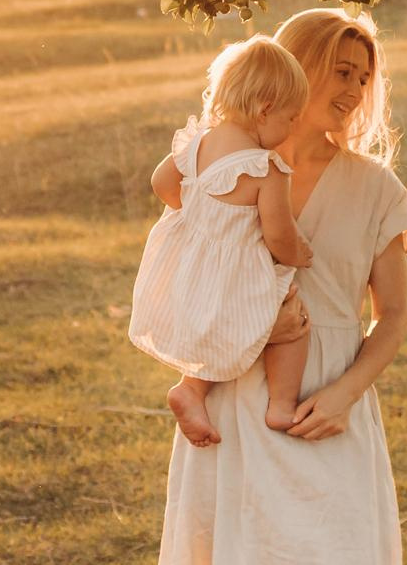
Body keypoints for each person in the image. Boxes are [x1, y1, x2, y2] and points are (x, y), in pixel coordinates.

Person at [143, 7, 407, 565]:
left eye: (361, 76)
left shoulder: (375, 188)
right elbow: (189, 261)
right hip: (237, 406)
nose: (350, 90)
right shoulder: (232, 162)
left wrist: (343, 392)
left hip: (328, 410)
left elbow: (395, 316)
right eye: (337, 70)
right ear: (296, 72)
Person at [131, 36, 315, 444]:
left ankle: (191, 389)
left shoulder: (198, 142)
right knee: (292, 324)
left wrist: (200, 214)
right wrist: (300, 253)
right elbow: (278, 234)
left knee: (217, 334)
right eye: (291, 118)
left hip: (192, 269)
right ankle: (281, 405)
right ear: (265, 110)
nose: (292, 129)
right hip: (236, 275)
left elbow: (161, 183)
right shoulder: (267, 169)